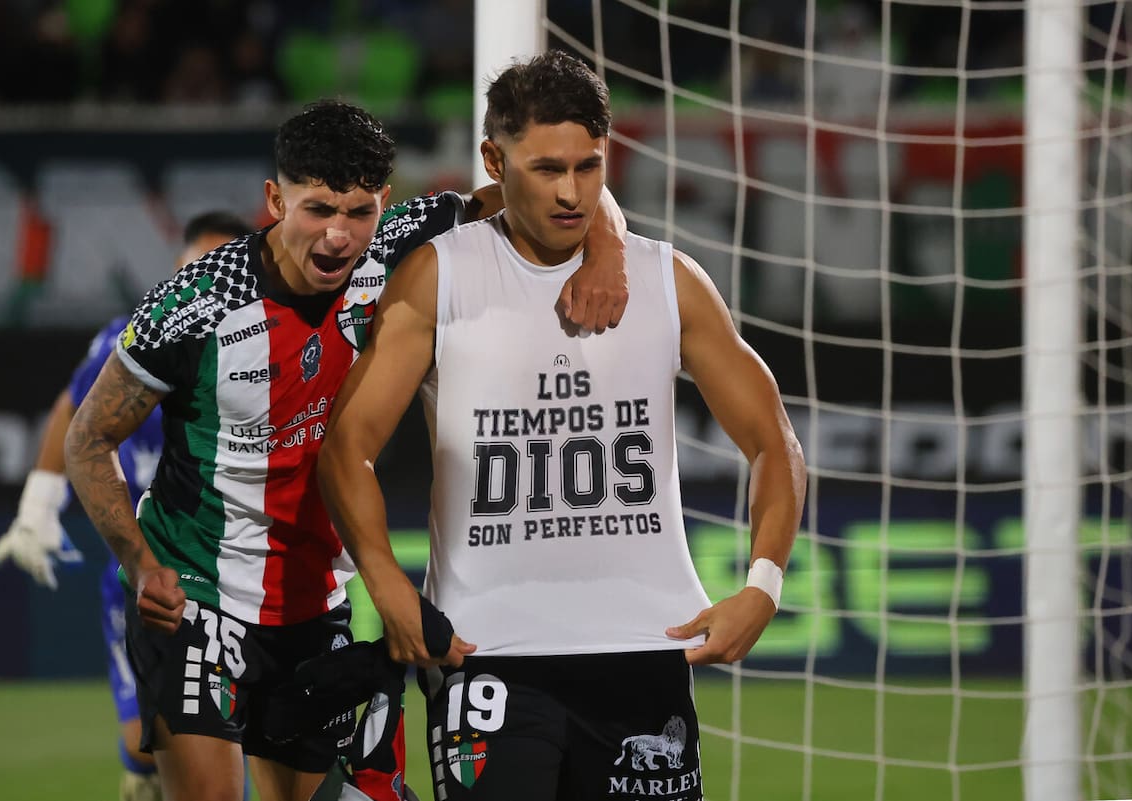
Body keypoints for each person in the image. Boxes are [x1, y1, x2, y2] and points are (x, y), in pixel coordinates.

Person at [64, 99, 629, 801]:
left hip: (314, 603)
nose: (338, 236)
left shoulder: (399, 244)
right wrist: (139, 563)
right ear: (275, 199)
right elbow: (87, 439)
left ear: (384, 202)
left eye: (359, 212)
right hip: (196, 598)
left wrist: (607, 254)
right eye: (317, 209)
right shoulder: (199, 302)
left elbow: (558, 195)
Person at [317, 50, 806, 801]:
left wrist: (764, 584)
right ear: (493, 159)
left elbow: (773, 440)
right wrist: (388, 583)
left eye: (590, 166)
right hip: (488, 652)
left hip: (645, 650)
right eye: (547, 168)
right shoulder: (440, 275)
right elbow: (348, 445)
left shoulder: (666, 281)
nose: (571, 192)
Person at [0, 210, 254, 801]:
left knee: (241, 748)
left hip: (236, 569)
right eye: (195, 270)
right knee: (147, 752)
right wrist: (38, 505)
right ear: (176, 269)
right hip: (147, 570)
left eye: (221, 271)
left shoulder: (268, 346)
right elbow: (73, 405)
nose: (206, 286)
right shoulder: (134, 336)